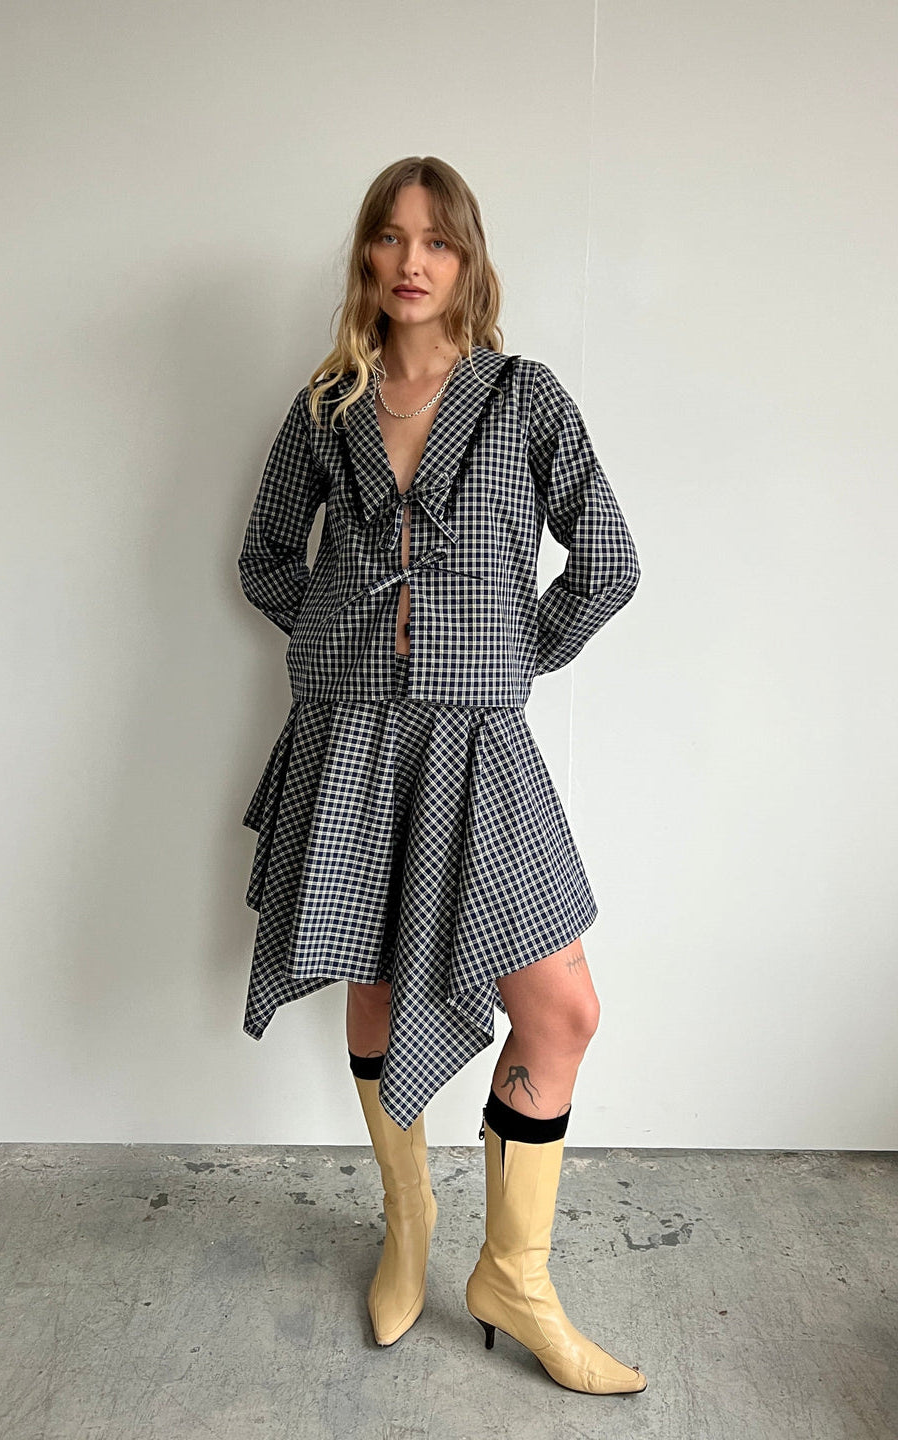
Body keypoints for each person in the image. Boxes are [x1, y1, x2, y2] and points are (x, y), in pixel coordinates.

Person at [236, 156, 647, 1395]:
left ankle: (514, 1275)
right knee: (373, 976)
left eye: (437, 240)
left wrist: (508, 652)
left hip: (476, 740)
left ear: (468, 259)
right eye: (390, 237)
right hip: (352, 737)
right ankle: (408, 1221)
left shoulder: (525, 399)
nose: (411, 261)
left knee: (561, 1009)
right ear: (366, 256)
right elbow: (267, 558)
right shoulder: (328, 407)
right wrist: (343, 648)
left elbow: (609, 562)